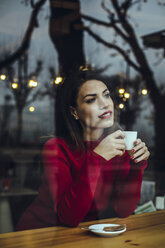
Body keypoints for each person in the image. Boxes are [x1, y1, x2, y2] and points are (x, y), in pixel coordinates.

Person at [16, 70, 150, 231]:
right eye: (91, 100)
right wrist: (97, 158)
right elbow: (68, 217)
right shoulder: (57, 148)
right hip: (40, 233)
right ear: (75, 112)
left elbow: (123, 211)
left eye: (106, 95)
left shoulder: (118, 148)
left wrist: (137, 165)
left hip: (83, 234)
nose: (105, 104)